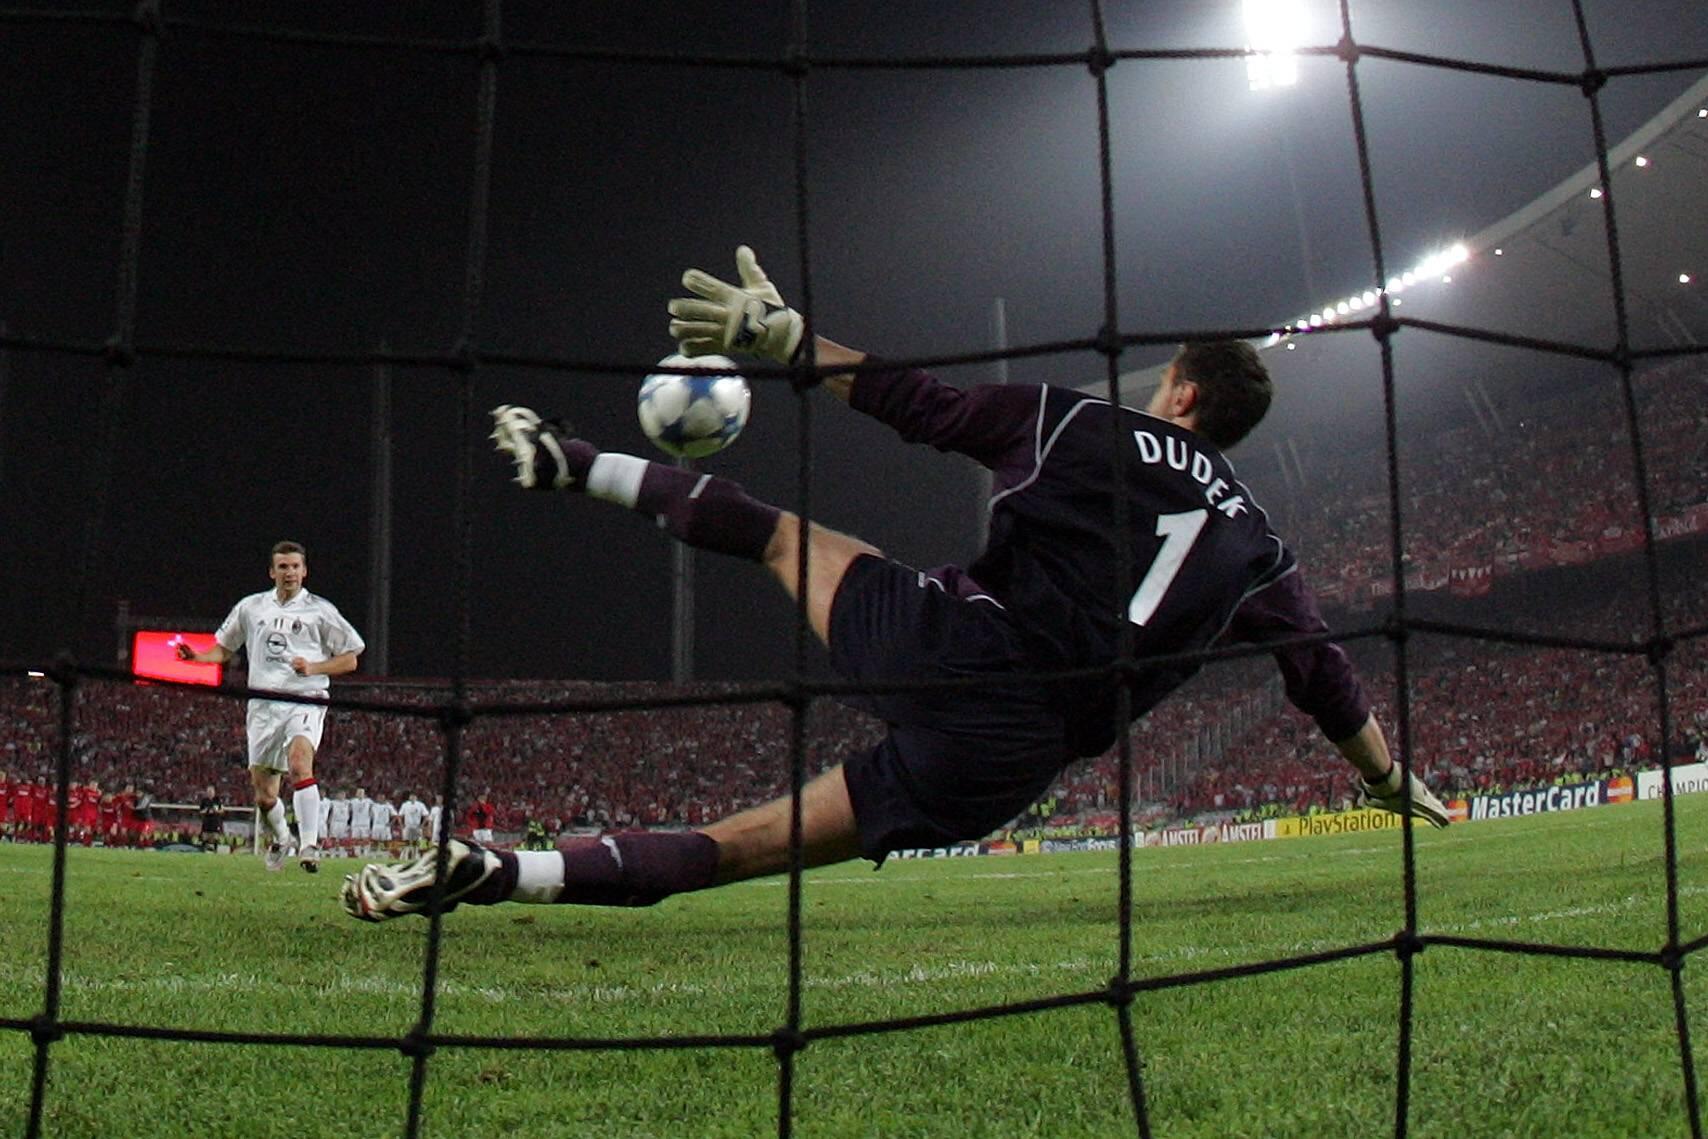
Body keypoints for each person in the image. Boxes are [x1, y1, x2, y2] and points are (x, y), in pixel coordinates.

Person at [341, 246, 1448, 922]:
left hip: (957, 647)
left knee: (781, 538)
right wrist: (1386, 777)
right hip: (1012, 759)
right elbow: (1321, 676)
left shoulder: (1084, 423)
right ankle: (499, 872)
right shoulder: (1258, 545)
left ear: (1183, 393)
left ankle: (571, 461)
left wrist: (787, 338)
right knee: (737, 849)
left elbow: (927, 407)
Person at [177, 540, 364, 872]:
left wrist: (314, 667)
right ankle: (282, 838)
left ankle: (309, 845)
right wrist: (198, 658)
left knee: (300, 764)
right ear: (272, 572)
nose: (289, 572)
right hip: (263, 705)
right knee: (264, 796)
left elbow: (350, 659)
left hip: (305, 697)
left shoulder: (321, 611)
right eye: (283, 567)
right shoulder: (251, 607)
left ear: (304, 571)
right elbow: (225, 648)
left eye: (295, 566)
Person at [198, 785, 224, 852]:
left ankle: (215, 850)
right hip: (206, 822)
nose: (210, 793)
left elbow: (222, 810)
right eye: (209, 792)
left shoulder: (218, 800)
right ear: (207, 793)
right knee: (205, 837)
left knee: (215, 837)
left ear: (214, 792)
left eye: (211, 792)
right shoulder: (204, 801)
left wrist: (215, 811)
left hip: (215, 822)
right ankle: (203, 850)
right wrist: (206, 811)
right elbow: (200, 811)